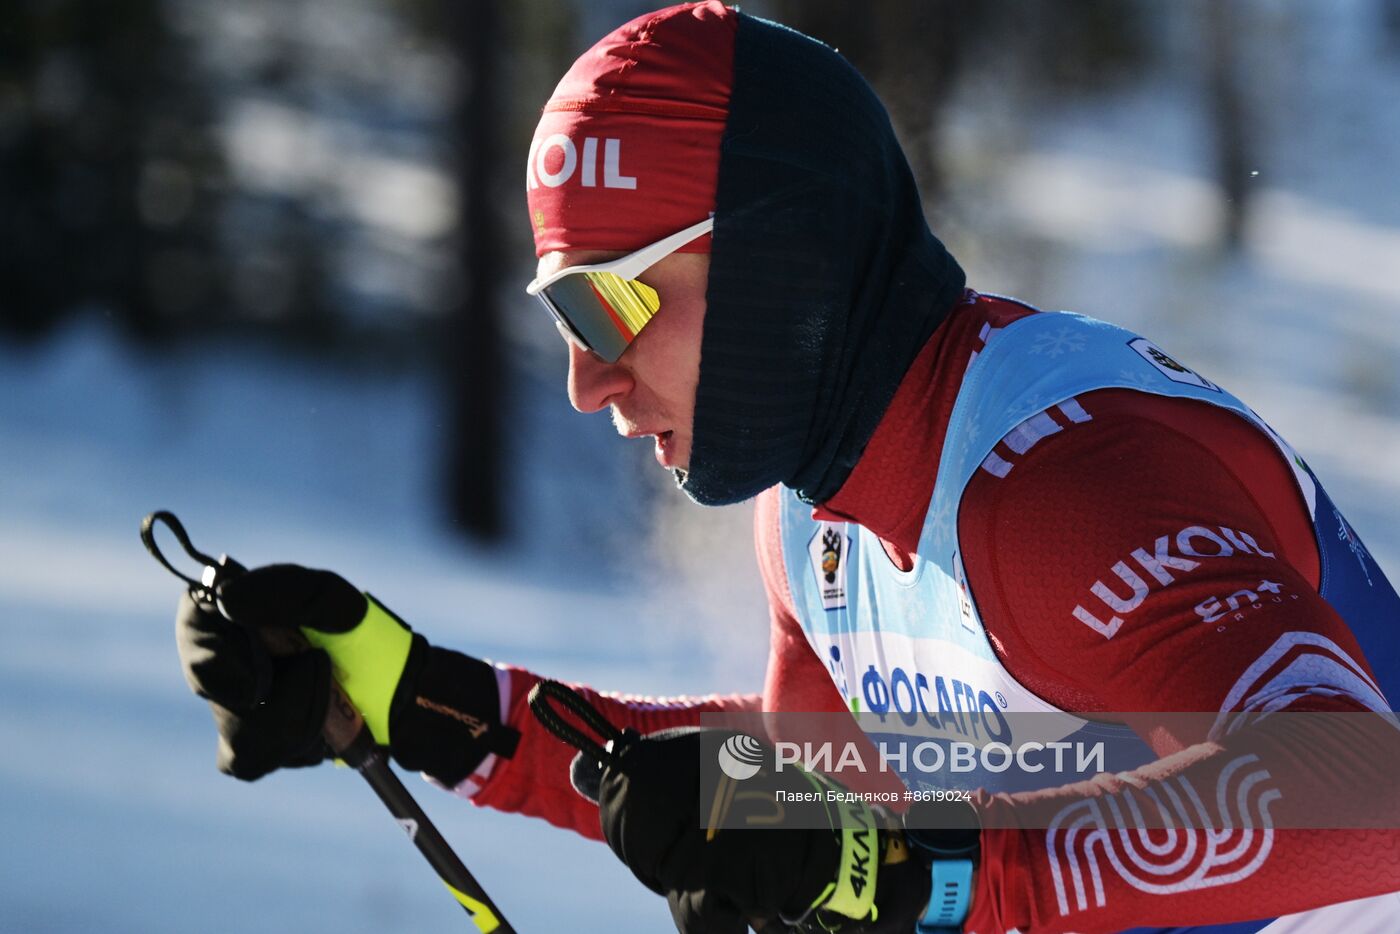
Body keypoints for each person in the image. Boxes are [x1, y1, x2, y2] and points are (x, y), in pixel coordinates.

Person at [174, 3, 1400, 932]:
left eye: (605, 311)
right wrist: (432, 705)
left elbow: (1363, 784)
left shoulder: (1058, 487)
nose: (584, 382)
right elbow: (809, 795)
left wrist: (935, 875)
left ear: (780, 262)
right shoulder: (812, 516)